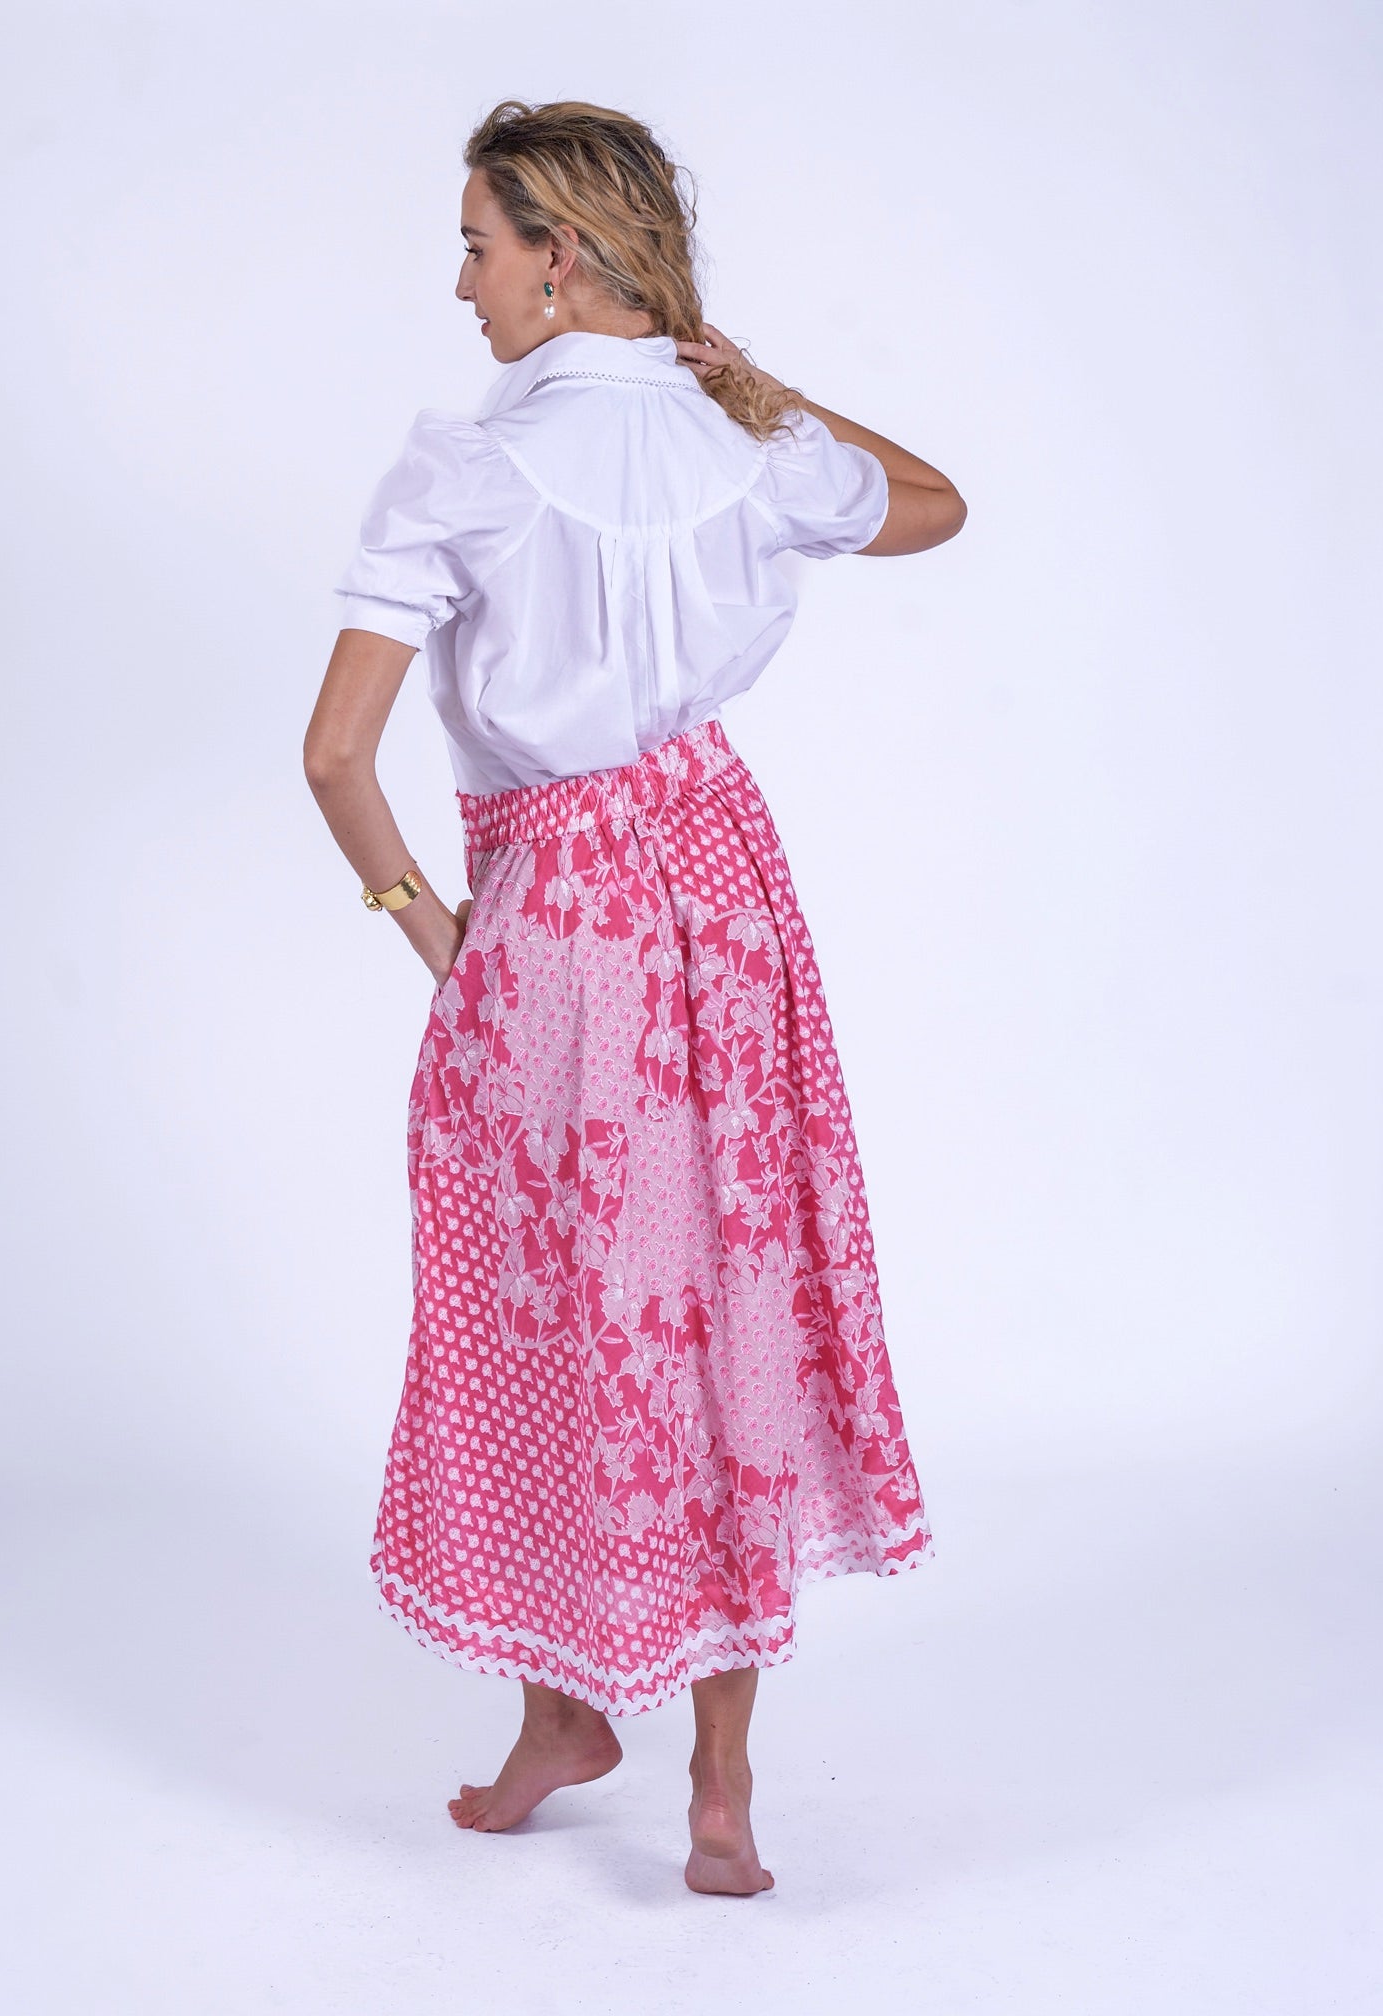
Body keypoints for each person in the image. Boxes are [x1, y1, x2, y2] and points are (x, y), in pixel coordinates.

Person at [303, 98, 967, 1898]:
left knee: (542, 1308)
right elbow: (934, 504)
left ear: (563, 256)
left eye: (478, 246)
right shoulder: (746, 449)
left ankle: (562, 1706)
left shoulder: (464, 469)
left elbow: (336, 754)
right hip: (725, 898)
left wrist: (433, 932)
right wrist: (756, 385)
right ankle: (716, 1784)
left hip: (557, 922)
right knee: (725, 1300)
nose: (461, 284)